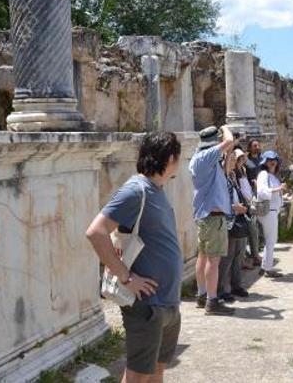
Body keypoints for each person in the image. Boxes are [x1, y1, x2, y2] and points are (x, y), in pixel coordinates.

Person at [85, 131, 183, 383]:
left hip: (168, 302)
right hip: (147, 305)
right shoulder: (135, 190)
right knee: (138, 376)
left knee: (156, 372)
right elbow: (96, 232)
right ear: (171, 158)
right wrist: (126, 277)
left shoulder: (157, 189)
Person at [189, 125, 245, 315]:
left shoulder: (200, 159)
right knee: (213, 261)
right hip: (213, 218)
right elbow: (227, 142)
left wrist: (229, 150)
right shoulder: (206, 157)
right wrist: (225, 128)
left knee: (203, 257)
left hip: (205, 217)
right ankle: (212, 302)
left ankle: (202, 295)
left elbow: (224, 161)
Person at [217, 150, 250, 301]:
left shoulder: (232, 176)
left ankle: (236, 285)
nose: (231, 163)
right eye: (229, 160)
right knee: (227, 257)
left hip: (238, 218)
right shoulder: (220, 178)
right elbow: (219, 200)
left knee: (239, 254)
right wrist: (234, 208)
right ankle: (221, 290)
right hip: (229, 220)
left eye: (233, 161)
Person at [256, 150, 286, 278]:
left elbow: (273, 193)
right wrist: (278, 189)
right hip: (268, 211)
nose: (272, 162)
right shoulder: (263, 174)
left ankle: (265, 266)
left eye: (274, 160)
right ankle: (268, 268)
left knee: (271, 240)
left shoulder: (273, 176)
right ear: (265, 162)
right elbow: (262, 192)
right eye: (269, 160)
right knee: (271, 240)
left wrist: (282, 194)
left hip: (272, 211)